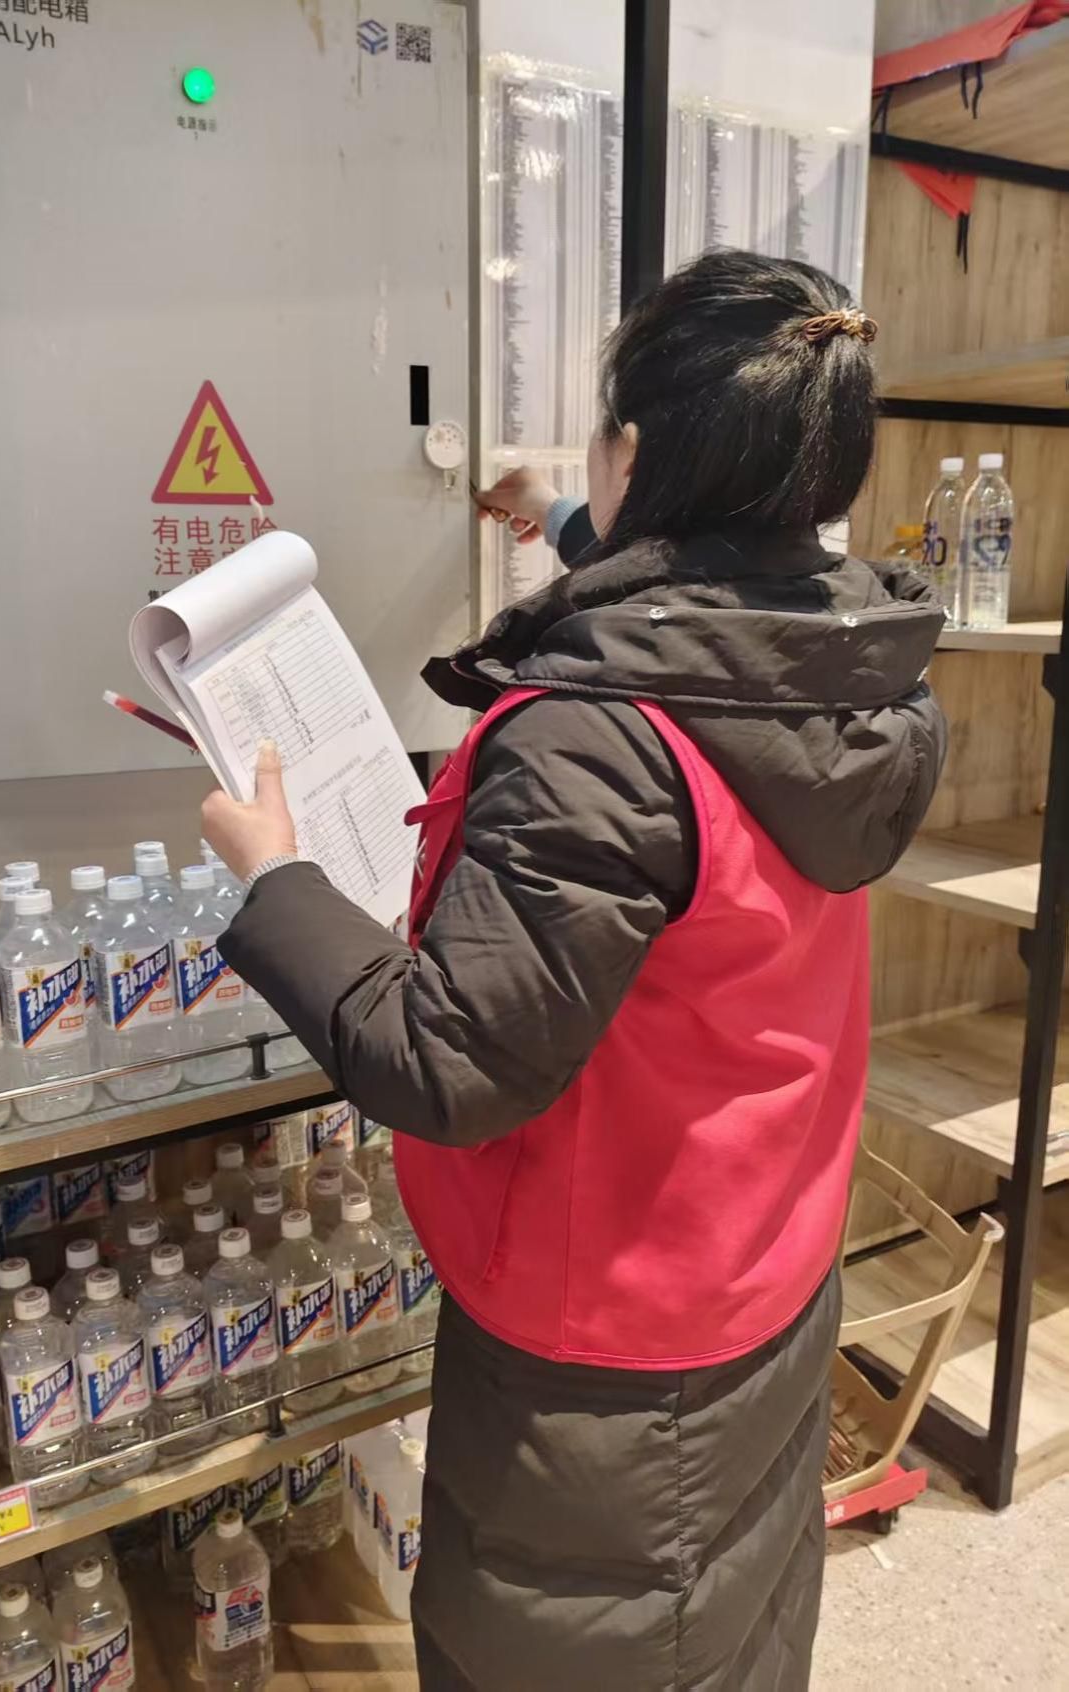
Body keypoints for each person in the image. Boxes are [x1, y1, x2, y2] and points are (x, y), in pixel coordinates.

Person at [202, 250, 947, 1691]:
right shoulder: (850, 666)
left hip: (606, 1359)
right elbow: (696, 601)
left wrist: (278, 878)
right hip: (767, 1277)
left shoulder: (599, 740)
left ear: (638, 454)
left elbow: (446, 1063)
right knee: (733, 1630)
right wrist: (550, 518)